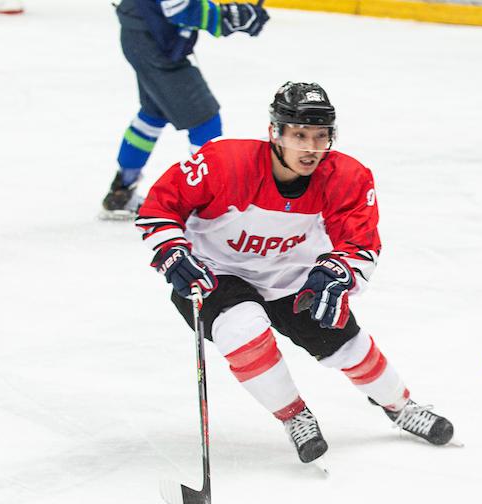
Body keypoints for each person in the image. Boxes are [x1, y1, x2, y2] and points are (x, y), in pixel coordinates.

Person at [136, 82, 454, 465]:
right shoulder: (224, 162)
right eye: (300, 135)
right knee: (242, 328)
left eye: (321, 137)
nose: (310, 148)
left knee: (345, 345)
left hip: (292, 273)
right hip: (215, 272)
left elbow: (361, 243)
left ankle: (400, 407)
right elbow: (160, 206)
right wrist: (172, 250)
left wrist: (337, 272)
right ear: (275, 133)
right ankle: (294, 416)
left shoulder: (346, 178)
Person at [102, 0, 270, 219]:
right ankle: (207, 204)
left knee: (153, 114)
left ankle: (121, 191)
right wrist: (226, 17)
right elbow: (178, 8)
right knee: (205, 122)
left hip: (144, 30)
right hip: (154, 38)